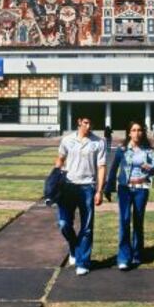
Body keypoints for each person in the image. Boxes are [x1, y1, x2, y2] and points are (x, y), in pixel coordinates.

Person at [104, 121, 154, 270]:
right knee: (124, 221)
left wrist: (149, 167)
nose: (137, 133)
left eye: (139, 130)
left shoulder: (148, 150)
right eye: (134, 130)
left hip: (141, 188)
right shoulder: (121, 150)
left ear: (143, 132)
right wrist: (108, 188)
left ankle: (137, 254)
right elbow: (113, 168)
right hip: (125, 189)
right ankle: (123, 257)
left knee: (138, 221)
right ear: (129, 133)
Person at [55, 116, 107, 276]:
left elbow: (102, 167)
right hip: (68, 187)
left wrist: (99, 190)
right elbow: (60, 158)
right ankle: (73, 246)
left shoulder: (99, 142)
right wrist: (56, 174)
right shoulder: (67, 140)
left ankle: (83, 261)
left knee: (87, 227)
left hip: (87, 187)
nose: (88, 126)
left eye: (91, 123)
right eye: (86, 122)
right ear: (79, 122)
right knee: (64, 224)